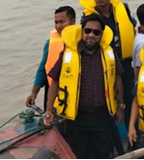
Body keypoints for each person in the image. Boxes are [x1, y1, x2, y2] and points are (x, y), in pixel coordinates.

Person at [43, 14, 125, 159]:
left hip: (101, 116)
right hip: (76, 118)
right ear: (82, 31)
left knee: (103, 153)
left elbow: (118, 78)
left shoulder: (109, 54)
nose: (91, 35)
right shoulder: (68, 54)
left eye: (96, 32)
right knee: (78, 154)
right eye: (87, 31)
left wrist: (120, 106)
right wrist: (49, 110)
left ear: (101, 35)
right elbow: (54, 81)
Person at [80, 0, 137, 127]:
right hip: (104, 65)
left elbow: (132, 29)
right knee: (107, 101)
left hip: (124, 63)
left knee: (130, 98)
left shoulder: (123, 9)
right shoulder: (89, 16)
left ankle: (133, 134)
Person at [25, 6, 76, 111]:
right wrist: (34, 93)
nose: (59, 26)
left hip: (75, 90)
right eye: (56, 22)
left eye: (62, 22)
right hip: (54, 89)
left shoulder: (83, 40)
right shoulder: (50, 43)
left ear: (73, 21)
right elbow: (42, 69)